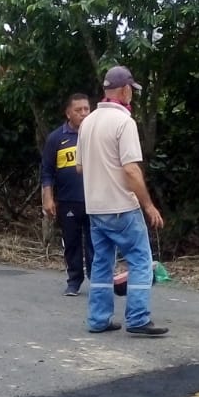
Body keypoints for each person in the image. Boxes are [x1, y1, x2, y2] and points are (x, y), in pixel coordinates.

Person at [76, 65, 167, 336]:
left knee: (101, 263)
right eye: (132, 90)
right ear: (125, 90)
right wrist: (148, 205)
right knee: (140, 260)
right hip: (122, 207)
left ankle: (98, 319)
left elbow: (80, 167)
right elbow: (131, 170)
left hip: (95, 208)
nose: (132, 95)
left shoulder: (88, 122)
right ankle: (138, 318)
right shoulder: (124, 122)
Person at [41, 92, 93, 295]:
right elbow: (47, 171)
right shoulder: (56, 138)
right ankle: (74, 281)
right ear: (68, 113)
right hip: (68, 200)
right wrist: (48, 197)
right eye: (78, 110)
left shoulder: (95, 134)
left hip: (95, 199)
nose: (83, 113)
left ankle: (98, 281)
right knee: (71, 242)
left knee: (95, 243)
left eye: (86, 109)